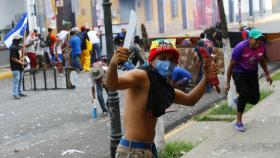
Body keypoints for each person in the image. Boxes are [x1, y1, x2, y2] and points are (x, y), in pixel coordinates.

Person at [106, 39, 218, 157]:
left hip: (148, 149)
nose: (168, 63)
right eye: (162, 58)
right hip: (133, 150)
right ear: (152, 60)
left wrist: (206, 78)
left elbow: (190, 100)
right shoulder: (141, 75)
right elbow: (113, 84)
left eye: (171, 59)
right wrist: (113, 65)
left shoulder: (163, 86)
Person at [225, 28, 272, 132]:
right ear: (249, 39)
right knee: (245, 91)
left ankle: (240, 99)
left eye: (260, 39)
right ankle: (238, 122)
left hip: (252, 74)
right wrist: (228, 83)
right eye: (256, 39)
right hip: (239, 74)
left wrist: (267, 74)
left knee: (255, 99)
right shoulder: (240, 48)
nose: (259, 42)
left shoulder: (261, 47)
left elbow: (262, 60)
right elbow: (231, 66)